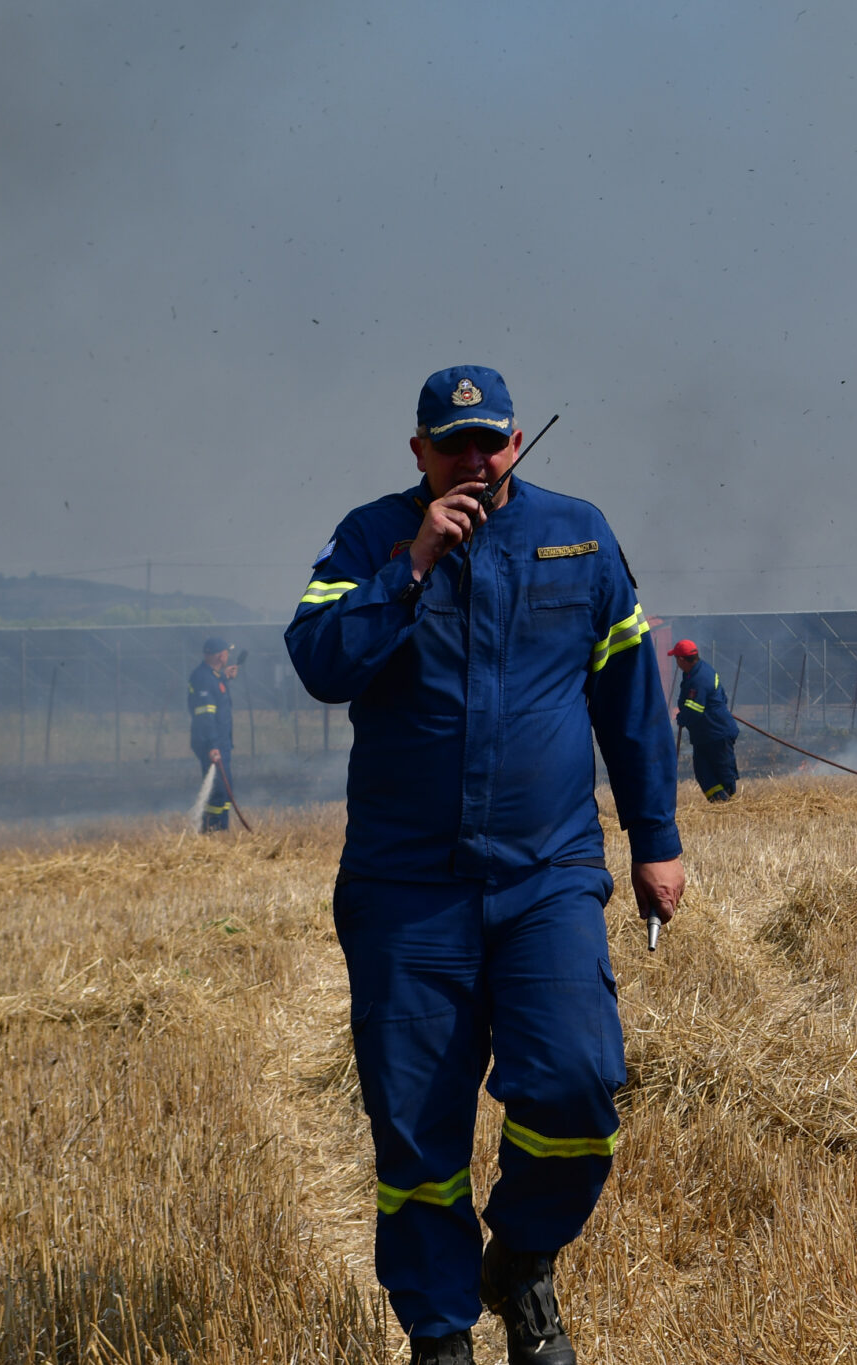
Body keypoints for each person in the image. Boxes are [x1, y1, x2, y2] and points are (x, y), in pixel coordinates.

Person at [285, 365, 684, 1365]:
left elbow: (631, 701)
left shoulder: (580, 537)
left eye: (490, 441)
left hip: (544, 872)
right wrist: (412, 564)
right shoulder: (368, 538)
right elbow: (322, 664)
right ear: (416, 452)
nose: (474, 458)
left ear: (516, 443)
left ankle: (523, 1258)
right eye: (451, 443)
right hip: (405, 886)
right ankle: (439, 1332)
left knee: (579, 1087)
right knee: (416, 1126)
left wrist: (655, 839)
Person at [667, 639, 739, 802]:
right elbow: (723, 697)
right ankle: (720, 802)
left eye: (676, 659)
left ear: (682, 659)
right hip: (706, 733)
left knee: (722, 771)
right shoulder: (698, 672)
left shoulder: (699, 678)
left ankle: (729, 802)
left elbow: (694, 710)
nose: (676, 663)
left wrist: (682, 718)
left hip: (716, 733)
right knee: (703, 771)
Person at [187, 636, 239, 832]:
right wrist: (212, 745)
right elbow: (205, 716)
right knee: (218, 790)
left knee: (225, 789)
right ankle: (211, 831)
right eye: (227, 652)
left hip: (221, 742)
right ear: (220, 655)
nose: (228, 655)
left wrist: (224, 677)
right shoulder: (202, 679)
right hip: (213, 743)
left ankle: (221, 830)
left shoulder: (211, 677)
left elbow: (214, 690)